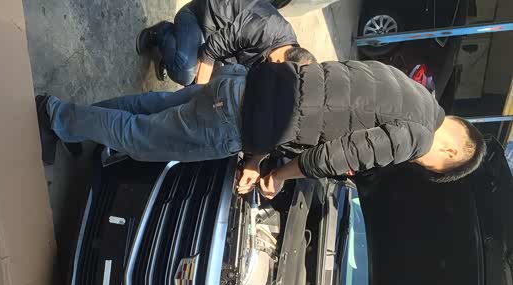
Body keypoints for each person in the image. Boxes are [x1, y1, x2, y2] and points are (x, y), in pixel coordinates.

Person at [36, 60, 485, 190]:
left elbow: (316, 98)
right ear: (450, 152)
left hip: (247, 83)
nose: (424, 164)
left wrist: (256, 158)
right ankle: (54, 114)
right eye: (436, 168)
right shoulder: (415, 138)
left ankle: (69, 125)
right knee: (141, 138)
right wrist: (278, 175)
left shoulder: (407, 86)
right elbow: (332, 157)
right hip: (237, 119)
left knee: (152, 107)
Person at [136, 0, 315, 86]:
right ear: (280, 61)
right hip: (198, 18)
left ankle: (178, 50)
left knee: (216, 83)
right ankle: (163, 33)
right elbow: (211, 51)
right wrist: (199, 93)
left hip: (221, 42)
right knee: (186, 74)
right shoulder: (265, 27)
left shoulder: (289, 46)